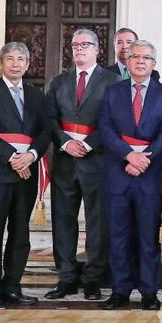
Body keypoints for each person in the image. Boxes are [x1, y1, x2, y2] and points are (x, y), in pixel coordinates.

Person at [97, 40, 162, 310]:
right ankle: (119, 290)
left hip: (149, 175)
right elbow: (105, 129)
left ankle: (148, 291)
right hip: (118, 172)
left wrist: (144, 160)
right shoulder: (112, 92)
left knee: (147, 236)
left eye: (146, 57)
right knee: (118, 235)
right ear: (127, 61)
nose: (140, 61)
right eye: (135, 57)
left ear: (154, 63)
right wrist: (128, 156)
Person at [0, 42, 50, 309]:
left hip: (27, 172)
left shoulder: (37, 95)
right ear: (1, 63)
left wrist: (31, 155)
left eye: (21, 59)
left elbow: (45, 131)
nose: (16, 64)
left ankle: (13, 286)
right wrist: (12, 158)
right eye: (10, 58)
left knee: (21, 232)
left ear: (28, 65)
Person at [44, 29, 121, 300]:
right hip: (65, 161)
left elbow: (114, 121)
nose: (79, 49)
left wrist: (88, 143)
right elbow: (50, 118)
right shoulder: (58, 81)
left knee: (97, 222)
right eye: (75, 45)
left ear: (97, 50)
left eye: (85, 45)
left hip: (96, 161)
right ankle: (66, 277)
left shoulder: (112, 80)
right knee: (63, 221)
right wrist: (65, 142)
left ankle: (92, 279)